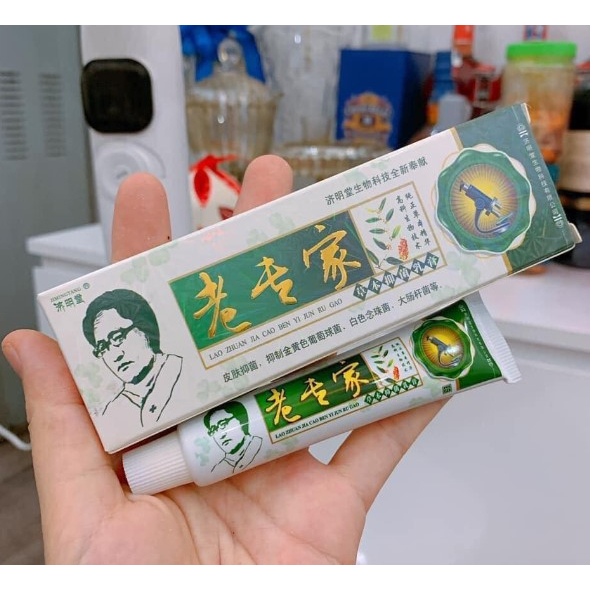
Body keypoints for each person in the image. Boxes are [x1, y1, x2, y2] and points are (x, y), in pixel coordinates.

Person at [1, 156, 447, 564]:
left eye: (118, 336)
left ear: (148, 331)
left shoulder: (173, 378)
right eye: (102, 347)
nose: (112, 353)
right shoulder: (121, 412)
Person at [82, 288, 183, 427]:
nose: (115, 355)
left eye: (117, 337)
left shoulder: (182, 371)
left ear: (144, 327)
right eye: (102, 347)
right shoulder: (112, 415)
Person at [204, 400, 263, 474]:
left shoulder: (259, 444)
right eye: (213, 430)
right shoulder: (218, 469)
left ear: (242, 420)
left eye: (223, 424)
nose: (221, 435)